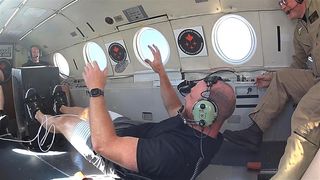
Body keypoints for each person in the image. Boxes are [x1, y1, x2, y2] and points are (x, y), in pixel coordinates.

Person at [24, 45, 236, 179]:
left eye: (190, 97)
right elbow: (173, 107)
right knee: (86, 111)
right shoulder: (204, 130)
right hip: (131, 132)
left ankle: (38, 114)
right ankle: (59, 105)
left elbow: (104, 145)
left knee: (66, 122)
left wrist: (96, 89)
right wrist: (161, 72)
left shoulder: (170, 155)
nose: (186, 97)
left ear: (205, 111)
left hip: (112, 152)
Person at [223, 0, 320, 179]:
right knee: (282, 77)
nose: (282, 6)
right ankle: (254, 133)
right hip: (316, 76)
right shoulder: (300, 30)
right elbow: (297, 65)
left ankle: (285, 175)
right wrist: (273, 77)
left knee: (303, 115)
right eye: (279, 2)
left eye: (284, 1)